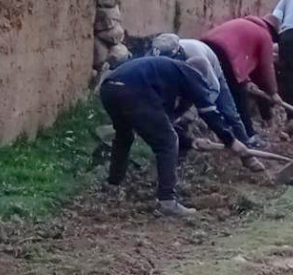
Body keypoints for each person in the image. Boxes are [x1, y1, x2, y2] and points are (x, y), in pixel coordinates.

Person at [99, 55, 251, 218]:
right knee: (167, 142)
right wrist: (231, 141)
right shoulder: (193, 75)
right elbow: (209, 113)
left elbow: (161, 126)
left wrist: (192, 141)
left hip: (109, 88)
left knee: (124, 136)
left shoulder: (167, 77)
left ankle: (113, 184)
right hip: (133, 90)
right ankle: (167, 202)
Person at [151, 34, 258, 150]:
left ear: (178, 53)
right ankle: (180, 147)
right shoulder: (154, 55)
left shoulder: (198, 58)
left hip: (210, 75)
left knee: (229, 113)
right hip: (184, 78)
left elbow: (213, 89)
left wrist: (197, 110)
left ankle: (246, 147)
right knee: (178, 116)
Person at [199, 15, 282, 144]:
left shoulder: (242, 23)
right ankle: (247, 137)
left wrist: (248, 81)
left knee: (201, 90)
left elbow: (247, 61)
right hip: (224, 53)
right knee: (239, 97)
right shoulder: (264, 35)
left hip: (202, 47)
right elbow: (266, 69)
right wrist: (273, 92)